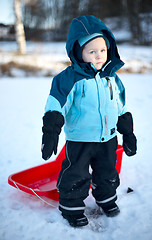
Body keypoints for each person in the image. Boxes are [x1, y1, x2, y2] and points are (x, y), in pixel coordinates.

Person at [41, 15, 137, 228]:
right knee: (75, 174)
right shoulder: (68, 79)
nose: (99, 56)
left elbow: (121, 106)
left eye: (102, 50)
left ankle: (106, 199)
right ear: (78, 52)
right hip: (80, 138)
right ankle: (72, 207)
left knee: (108, 171)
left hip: (108, 137)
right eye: (91, 51)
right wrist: (50, 132)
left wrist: (128, 133)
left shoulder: (112, 77)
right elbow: (56, 106)